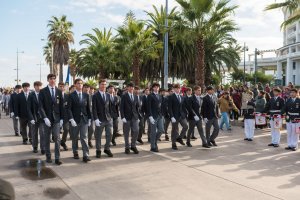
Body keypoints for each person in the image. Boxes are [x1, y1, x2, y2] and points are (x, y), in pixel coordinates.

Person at [39, 74, 64, 165]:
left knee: (57, 138)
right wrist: (45, 118)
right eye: (51, 79)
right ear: (48, 80)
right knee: (47, 138)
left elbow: (61, 106)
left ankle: (57, 158)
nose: (52, 80)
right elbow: (40, 106)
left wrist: (62, 118)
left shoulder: (59, 91)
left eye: (54, 78)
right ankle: (48, 156)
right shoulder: (43, 91)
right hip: (47, 119)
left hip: (57, 119)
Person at [67, 78, 92, 163]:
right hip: (75, 120)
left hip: (84, 119)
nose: (80, 85)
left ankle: (86, 155)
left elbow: (88, 108)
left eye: (81, 83)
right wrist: (71, 119)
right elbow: (69, 109)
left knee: (84, 137)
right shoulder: (71, 95)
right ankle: (75, 152)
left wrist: (89, 118)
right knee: (74, 137)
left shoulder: (86, 95)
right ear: (75, 85)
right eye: (78, 83)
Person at [92, 79, 114, 158]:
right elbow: (93, 108)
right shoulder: (95, 95)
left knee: (110, 134)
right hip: (99, 119)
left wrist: (111, 116)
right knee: (98, 136)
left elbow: (110, 107)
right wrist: (96, 119)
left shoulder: (108, 95)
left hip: (108, 119)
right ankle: (98, 150)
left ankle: (107, 148)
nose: (103, 86)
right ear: (99, 85)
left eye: (105, 84)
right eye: (102, 84)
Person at [120, 82, 141, 154]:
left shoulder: (135, 96)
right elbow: (121, 107)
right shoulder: (124, 96)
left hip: (134, 117)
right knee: (126, 133)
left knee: (136, 131)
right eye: (130, 87)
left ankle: (133, 145)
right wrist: (122, 117)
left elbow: (137, 107)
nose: (131, 88)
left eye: (132, 87)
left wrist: (138, 116)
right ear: (127, 88)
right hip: (127, 117)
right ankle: (127, 147)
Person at [168, 83, 188, 150]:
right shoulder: (171, 97)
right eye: (176, 88)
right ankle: (173, 144)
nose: (178, 90)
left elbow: (183, 107)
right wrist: (172, 116)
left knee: (185, 126)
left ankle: (179, 138)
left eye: (179, 88)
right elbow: (169, 108)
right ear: (174, 89)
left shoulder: (182, 97)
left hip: (181, 116)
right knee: (174, 130)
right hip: (174, 116)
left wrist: (185, 114)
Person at [27, 81, 45, 154]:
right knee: (34, 133)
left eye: (40, 86)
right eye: (37, 86)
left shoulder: (44, 94)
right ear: (34, 87)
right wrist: (31, 118)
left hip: (42, 117)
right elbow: (28, 108)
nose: (38, 87)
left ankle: (43, 148)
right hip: (34, 117)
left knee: (42, 133)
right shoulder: (31, 95)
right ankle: (35, 146)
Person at [147, 83, 164, 152]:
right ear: (153, 88)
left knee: (161, 130)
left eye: (157, 87)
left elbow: (161, 106)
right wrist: (150, 116)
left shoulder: (160, 96)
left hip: (159, 116)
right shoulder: (150, 96)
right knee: (153, 132)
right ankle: (153, 146)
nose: (156, 88)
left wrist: (162, 114)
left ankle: (154, 141)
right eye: (155, 87)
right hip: (153, 116)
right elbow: (148, 107)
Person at [58, 82, 69, 151]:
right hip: (57, 116)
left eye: (63, 86)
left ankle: (63, 142)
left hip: (65, 116)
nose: (61, 88)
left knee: (66, 129)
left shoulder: (67, 96)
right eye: (60, 86)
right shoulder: (55, 95)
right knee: (56, 132)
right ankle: (57, 144)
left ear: (64, 88)